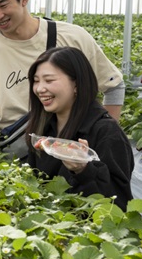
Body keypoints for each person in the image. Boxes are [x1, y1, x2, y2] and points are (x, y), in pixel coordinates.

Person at [0, 0, 124, 157]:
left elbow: (114, 85)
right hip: (20, 158)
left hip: (73, 152)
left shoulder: (72, 37)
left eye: (3, 4)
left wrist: (105, 139)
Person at [24, 46, 135, 210]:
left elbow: (118, 205)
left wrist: (84, 170)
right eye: (36, 80)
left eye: (49, 80)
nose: (40, 89)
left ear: (76, 84)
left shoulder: (105, 132)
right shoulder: (44, 128)